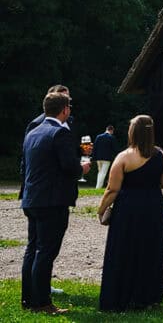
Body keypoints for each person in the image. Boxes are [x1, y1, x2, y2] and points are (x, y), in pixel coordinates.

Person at [21, 90, 88, 314]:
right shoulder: (59, 133)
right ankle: (42, 302)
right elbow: (69, 166)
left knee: (32, 249)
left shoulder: (33, 131)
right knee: (46, 251)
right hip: (52, 200)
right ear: (65, 110)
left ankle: (28, 298)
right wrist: (83, 168)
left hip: (32, 199)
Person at [97, 115, 163, 311]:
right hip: (153, 206)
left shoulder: (124, 156)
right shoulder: (161, 155)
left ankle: (122, 294)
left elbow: (112, 189)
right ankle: (147, 296)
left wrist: (101, 209)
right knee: (150, 249)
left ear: (133, 132)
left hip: (129, 207)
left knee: (124, 248)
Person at [92, 125, 117, 189]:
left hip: (98, 158)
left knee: (100, 172)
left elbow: (94, 148)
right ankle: (98, 188)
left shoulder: (98, 136)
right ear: (111, 130)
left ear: (106, 129)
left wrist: (93, 157)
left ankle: (97, 187)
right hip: (107, 159)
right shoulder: (111, 137)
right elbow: (114, 149)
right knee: (103, 173)